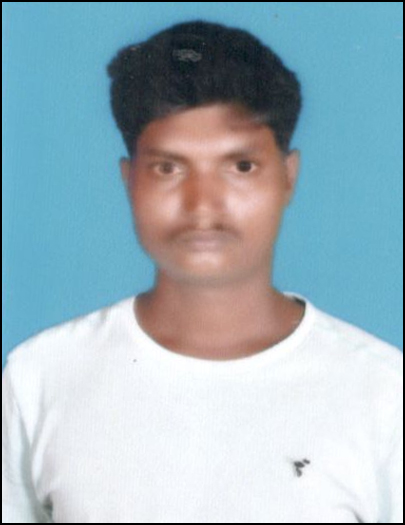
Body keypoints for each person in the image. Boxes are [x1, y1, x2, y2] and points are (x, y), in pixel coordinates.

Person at [2, 19, 402, 524]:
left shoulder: (382, 393)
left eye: (241, 167)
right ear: (129, 180)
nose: (203, 205)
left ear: (288, 177)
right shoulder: (41, 378)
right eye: (168, 168)